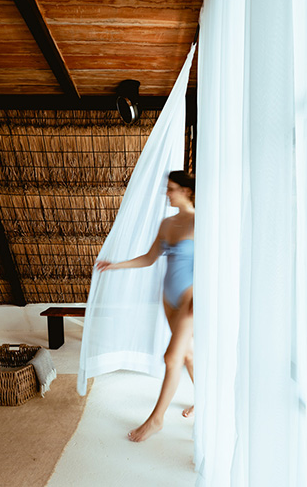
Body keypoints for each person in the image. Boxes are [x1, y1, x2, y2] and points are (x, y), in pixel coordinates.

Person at [96, 170, 195, 442]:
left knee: (171, 358)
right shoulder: (167, 223)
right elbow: (150, 258)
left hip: (190, 300)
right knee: (186, 355)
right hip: (169, 297)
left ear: (186, 191)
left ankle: (156, 420)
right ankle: (206, 401)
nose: (168, 193)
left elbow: (213, 265)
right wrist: (115, 265)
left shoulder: (200, 222)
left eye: (172, 188)